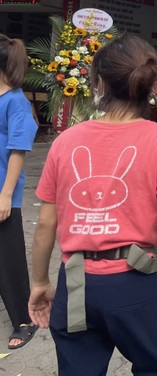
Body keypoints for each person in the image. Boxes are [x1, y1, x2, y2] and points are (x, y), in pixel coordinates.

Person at [28, 34, 157, 375]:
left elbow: (46, 225)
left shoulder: (66, 141)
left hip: (75, 283)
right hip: (133, 282)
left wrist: (39, 284)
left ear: (99, 81)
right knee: (154, 368)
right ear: (149, 85)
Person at [0, 35, 38, 349]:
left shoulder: (16, 101)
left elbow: (18, 150)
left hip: (2, 190)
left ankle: (24, 319)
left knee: (8, 260)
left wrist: (6, 195)